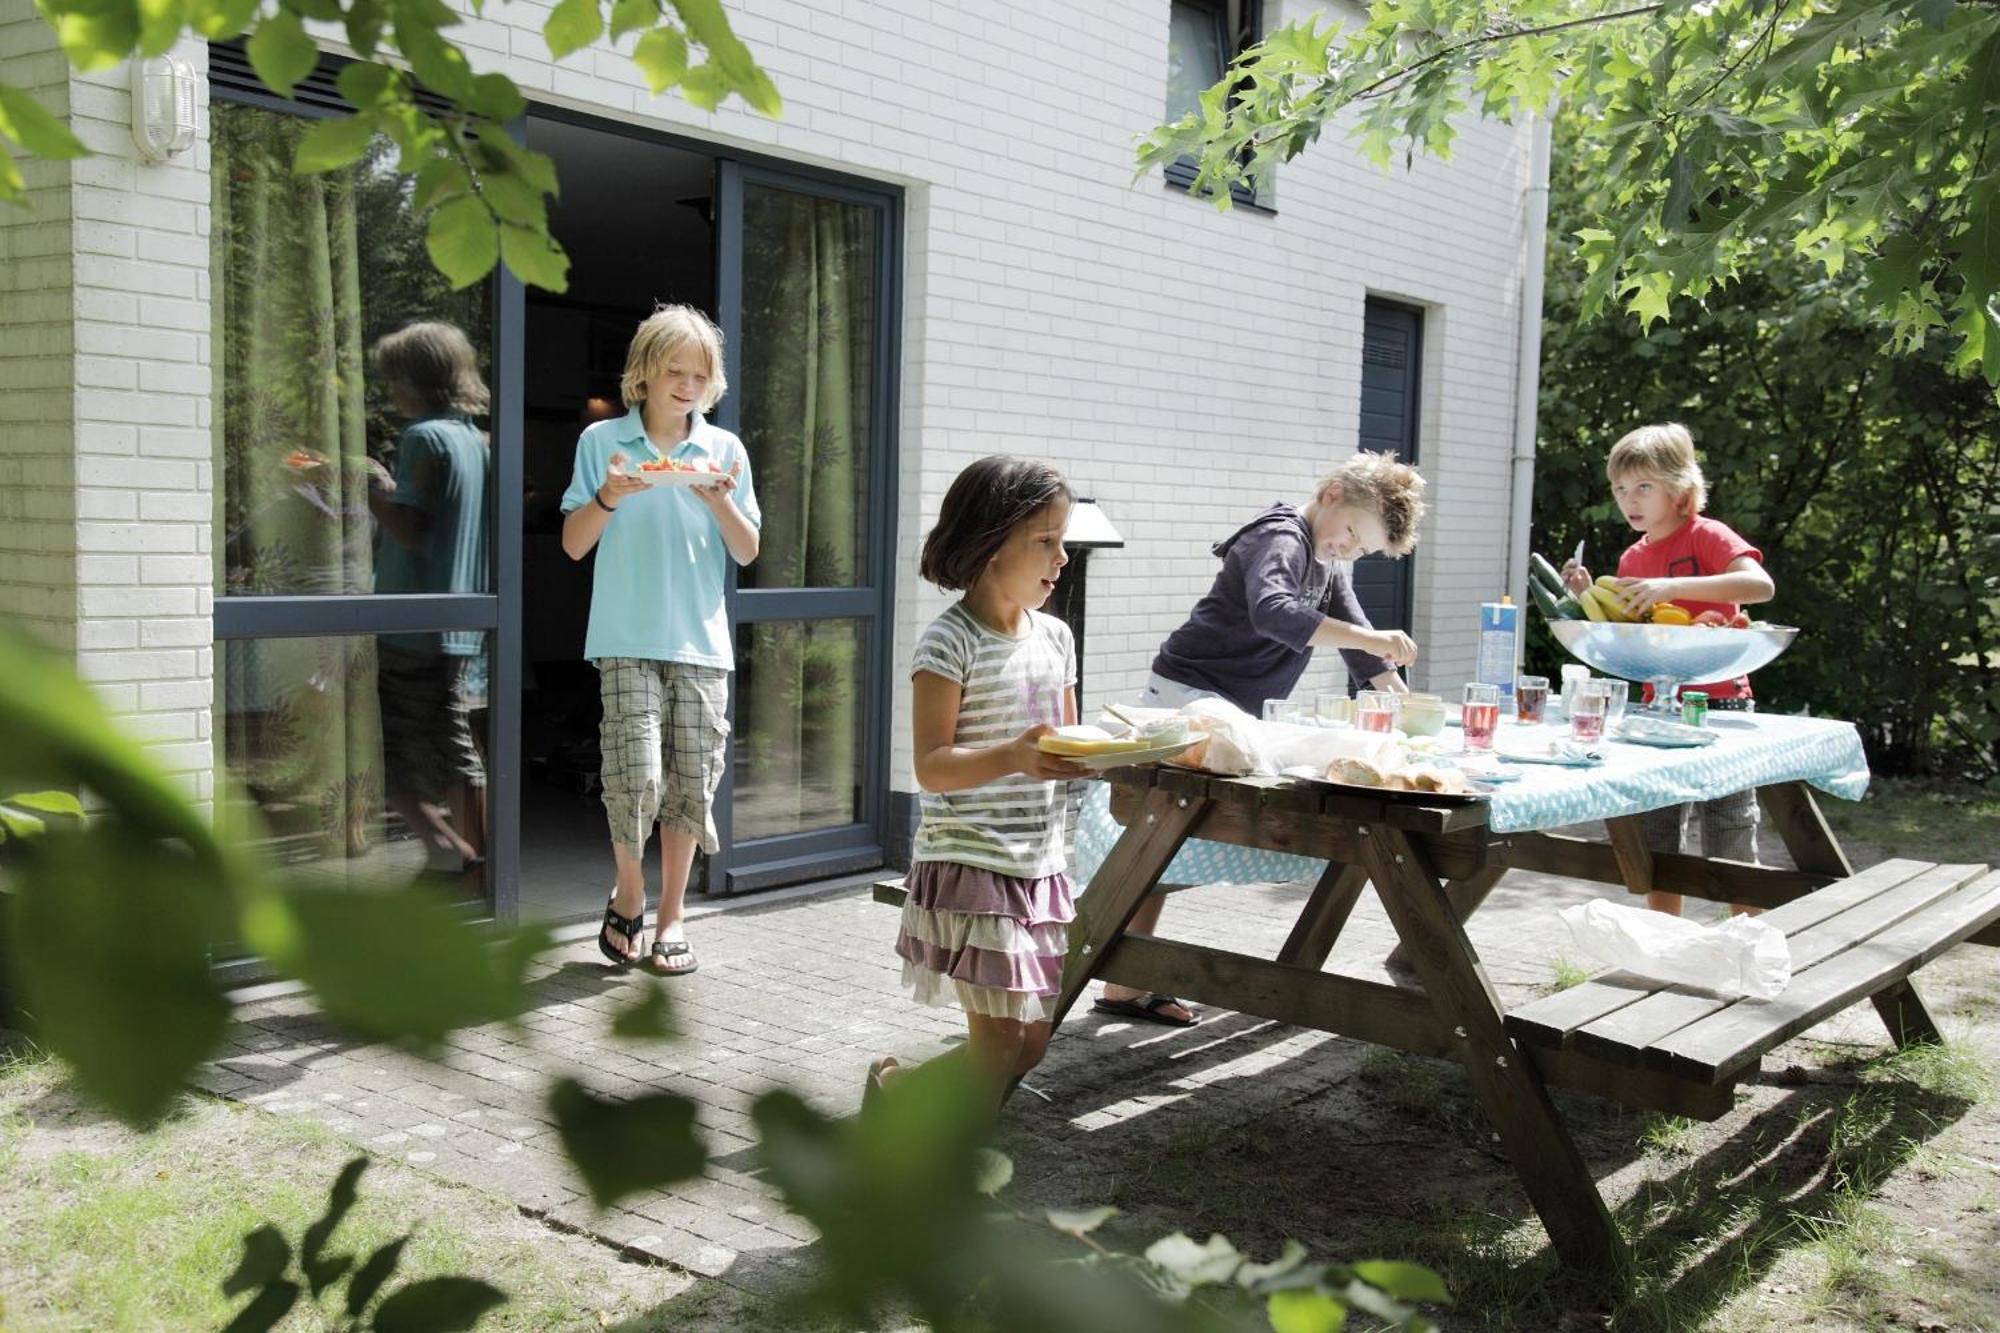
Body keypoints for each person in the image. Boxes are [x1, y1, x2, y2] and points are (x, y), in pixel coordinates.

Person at [1086, 450, 1429, 1023]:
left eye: (1361, 549)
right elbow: (1275, 612)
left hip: (1226, 706)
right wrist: (1376, 644)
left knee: (1170, 834)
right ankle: (1121, 965)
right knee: (1169, 826)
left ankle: (1125, 983)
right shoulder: (1282, 537)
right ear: (1332, 494)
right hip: (1188, 694)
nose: (1348, 550)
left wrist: (1403, 702)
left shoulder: (1324, 556)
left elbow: (1357, 641)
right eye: (1351, 536)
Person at [868, 456, 1090, 1107]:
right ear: (992, 544)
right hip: (973, 863)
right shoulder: (949, 642)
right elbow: (932, 763)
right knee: (997, 1049)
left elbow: (1067, 744)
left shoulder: (1056, 637)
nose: (1064, 557)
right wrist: (1017, 755)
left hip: (1040, 867)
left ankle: (897, 1089)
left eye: (1063, 539)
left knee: (1029, 1046)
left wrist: (1116, 753)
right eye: (1046, 541)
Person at [561, 305, 761, 974]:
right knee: (634, 773)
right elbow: (573, 543)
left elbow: (747, 549)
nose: (686, 383)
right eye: (673, 370)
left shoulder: (725, 451)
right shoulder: (602, 444)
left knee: (691, 782)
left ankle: (672, 914)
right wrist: (611, 494)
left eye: (699, 374)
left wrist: (718, 500)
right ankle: (630, 888)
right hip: (624, 635)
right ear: (642, 373)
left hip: (701, 643)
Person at [1561, 422, 1775, 917]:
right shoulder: (1634, 555)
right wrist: (1587, 596)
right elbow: (1632, 628)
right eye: (1620, 490)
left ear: (1680, 489)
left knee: (1730, 829)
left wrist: (1667, 587)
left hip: (1720, 701)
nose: (1629, 500)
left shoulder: (1707, 535)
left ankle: (1747, 939)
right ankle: (1665, 939)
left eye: (1643, 487)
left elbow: (1759, 587)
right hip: (1656, 707)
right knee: (1655, 830)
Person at [367, 321, 492, 889]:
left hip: (412, 626)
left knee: (388, 747)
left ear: (415, 380)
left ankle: (464, 857)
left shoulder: (424, 438)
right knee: (449, 737)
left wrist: (367, 486)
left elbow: (412, 530)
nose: (391, 391)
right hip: (457, 623)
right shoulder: (476, 442)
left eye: (395, 377)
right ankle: (463, 857)